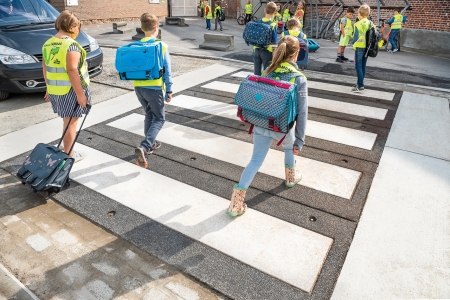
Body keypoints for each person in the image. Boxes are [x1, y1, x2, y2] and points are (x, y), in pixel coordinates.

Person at [227, 36, 308, 217]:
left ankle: (235, 203)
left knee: (255, 161)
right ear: (296, 54)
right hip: (283, 128)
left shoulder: (267, 71)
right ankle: (290, 178)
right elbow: (302, 113)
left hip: (262, 124)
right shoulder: (299, 79)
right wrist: (299, 141)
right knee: (289, 148)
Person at [42, 10, 90, 162]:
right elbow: (72, 70)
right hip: (70, 90)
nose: (78, 30)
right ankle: (69, 154)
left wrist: (48, 88)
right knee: (71, 123)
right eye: (78, 27)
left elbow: (45, 68)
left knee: (67, 121)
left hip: (56, 90)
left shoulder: (47, 43)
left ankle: (67, 149)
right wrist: (81, 94)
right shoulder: (70, 45)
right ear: (72, 25)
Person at [134, 13, 173, 168]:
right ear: (156, 28)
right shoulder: (161, 45)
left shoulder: (137, 45)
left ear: (142, 28)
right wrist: (169, 89)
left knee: (149, 114)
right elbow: (167, 70)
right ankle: (145, 146)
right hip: (154, 87)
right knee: (159, 118)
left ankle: (151, 144)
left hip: (138, 87)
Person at [350, 4, 375, 93]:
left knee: (358, 66)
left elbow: (355, 38)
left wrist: (353, 44)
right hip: (367, 48)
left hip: (359, 47)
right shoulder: (370, 23)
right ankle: (359, 84)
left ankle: (360, 85)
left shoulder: (357, 24)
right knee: (363, 66)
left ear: (359, 13)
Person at [253, 1, 278, 76]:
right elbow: (275, 41)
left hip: (256, 49)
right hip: (267, 50)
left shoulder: (258, 22)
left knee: (256, 70)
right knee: (267, 70)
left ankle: (256, 85)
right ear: (274, 12)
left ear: (264, 10)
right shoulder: (273, 24)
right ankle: (264, 85)